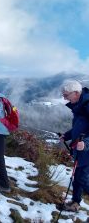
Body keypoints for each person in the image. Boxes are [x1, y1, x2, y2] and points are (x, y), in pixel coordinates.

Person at [59, 80, 89, 212]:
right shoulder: (79, 106)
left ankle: (75, 202)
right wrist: (67, 135)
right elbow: (79, 127)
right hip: (80, 149)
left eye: (66, 95)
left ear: (76, 93)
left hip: (86, 150)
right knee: (78, 177)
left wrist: (86, 143)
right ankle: (75, 203)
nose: (64, 98)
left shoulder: (87, 105)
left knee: (83, 178)